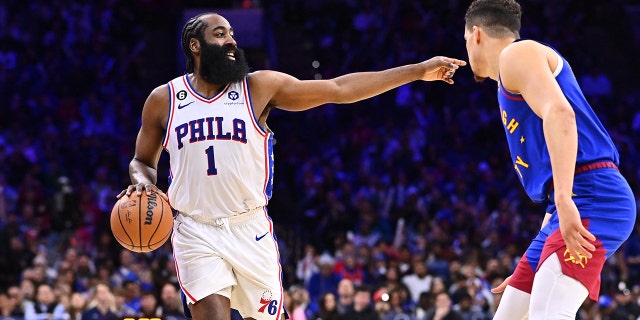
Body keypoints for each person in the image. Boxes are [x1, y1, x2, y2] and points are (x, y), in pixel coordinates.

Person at [117, 11, 465, 320]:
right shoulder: (164, 99)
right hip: (195, 230)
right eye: (220, 34)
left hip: (249, 227)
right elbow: (142, 161)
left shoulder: (258, 87)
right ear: (195, 46)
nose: (231, 41)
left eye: (232, 34)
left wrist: (417, 71)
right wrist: (143, 182)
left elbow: (338, 89)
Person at [462, 0, 637, 319]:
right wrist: (539, 245)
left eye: (464, 41)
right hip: (566, 204)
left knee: (549, 313)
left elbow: (560, 113)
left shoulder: (515, 54)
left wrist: (563, 198)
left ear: (475, 35)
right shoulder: (511, 74)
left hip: (593, 194)